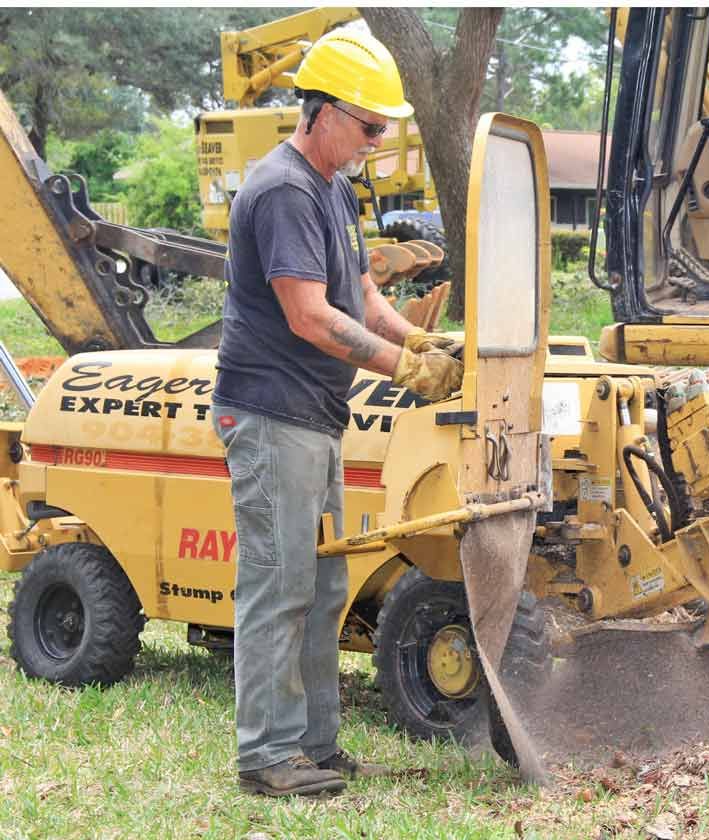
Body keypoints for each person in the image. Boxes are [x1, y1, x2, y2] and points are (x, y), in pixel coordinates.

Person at [210, 30, 462, 798]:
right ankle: (266, 755)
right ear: (319, 111)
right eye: (368, 124)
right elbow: (310, 317)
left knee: (320, 589)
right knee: (278, 585)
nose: (376, 141)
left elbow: (360, 295)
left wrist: (417, 335)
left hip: (313, 415)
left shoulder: (331, 188)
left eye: (384, 128)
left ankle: (313, 746)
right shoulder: (283, 188)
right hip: (270, 411)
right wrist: (406, 369)